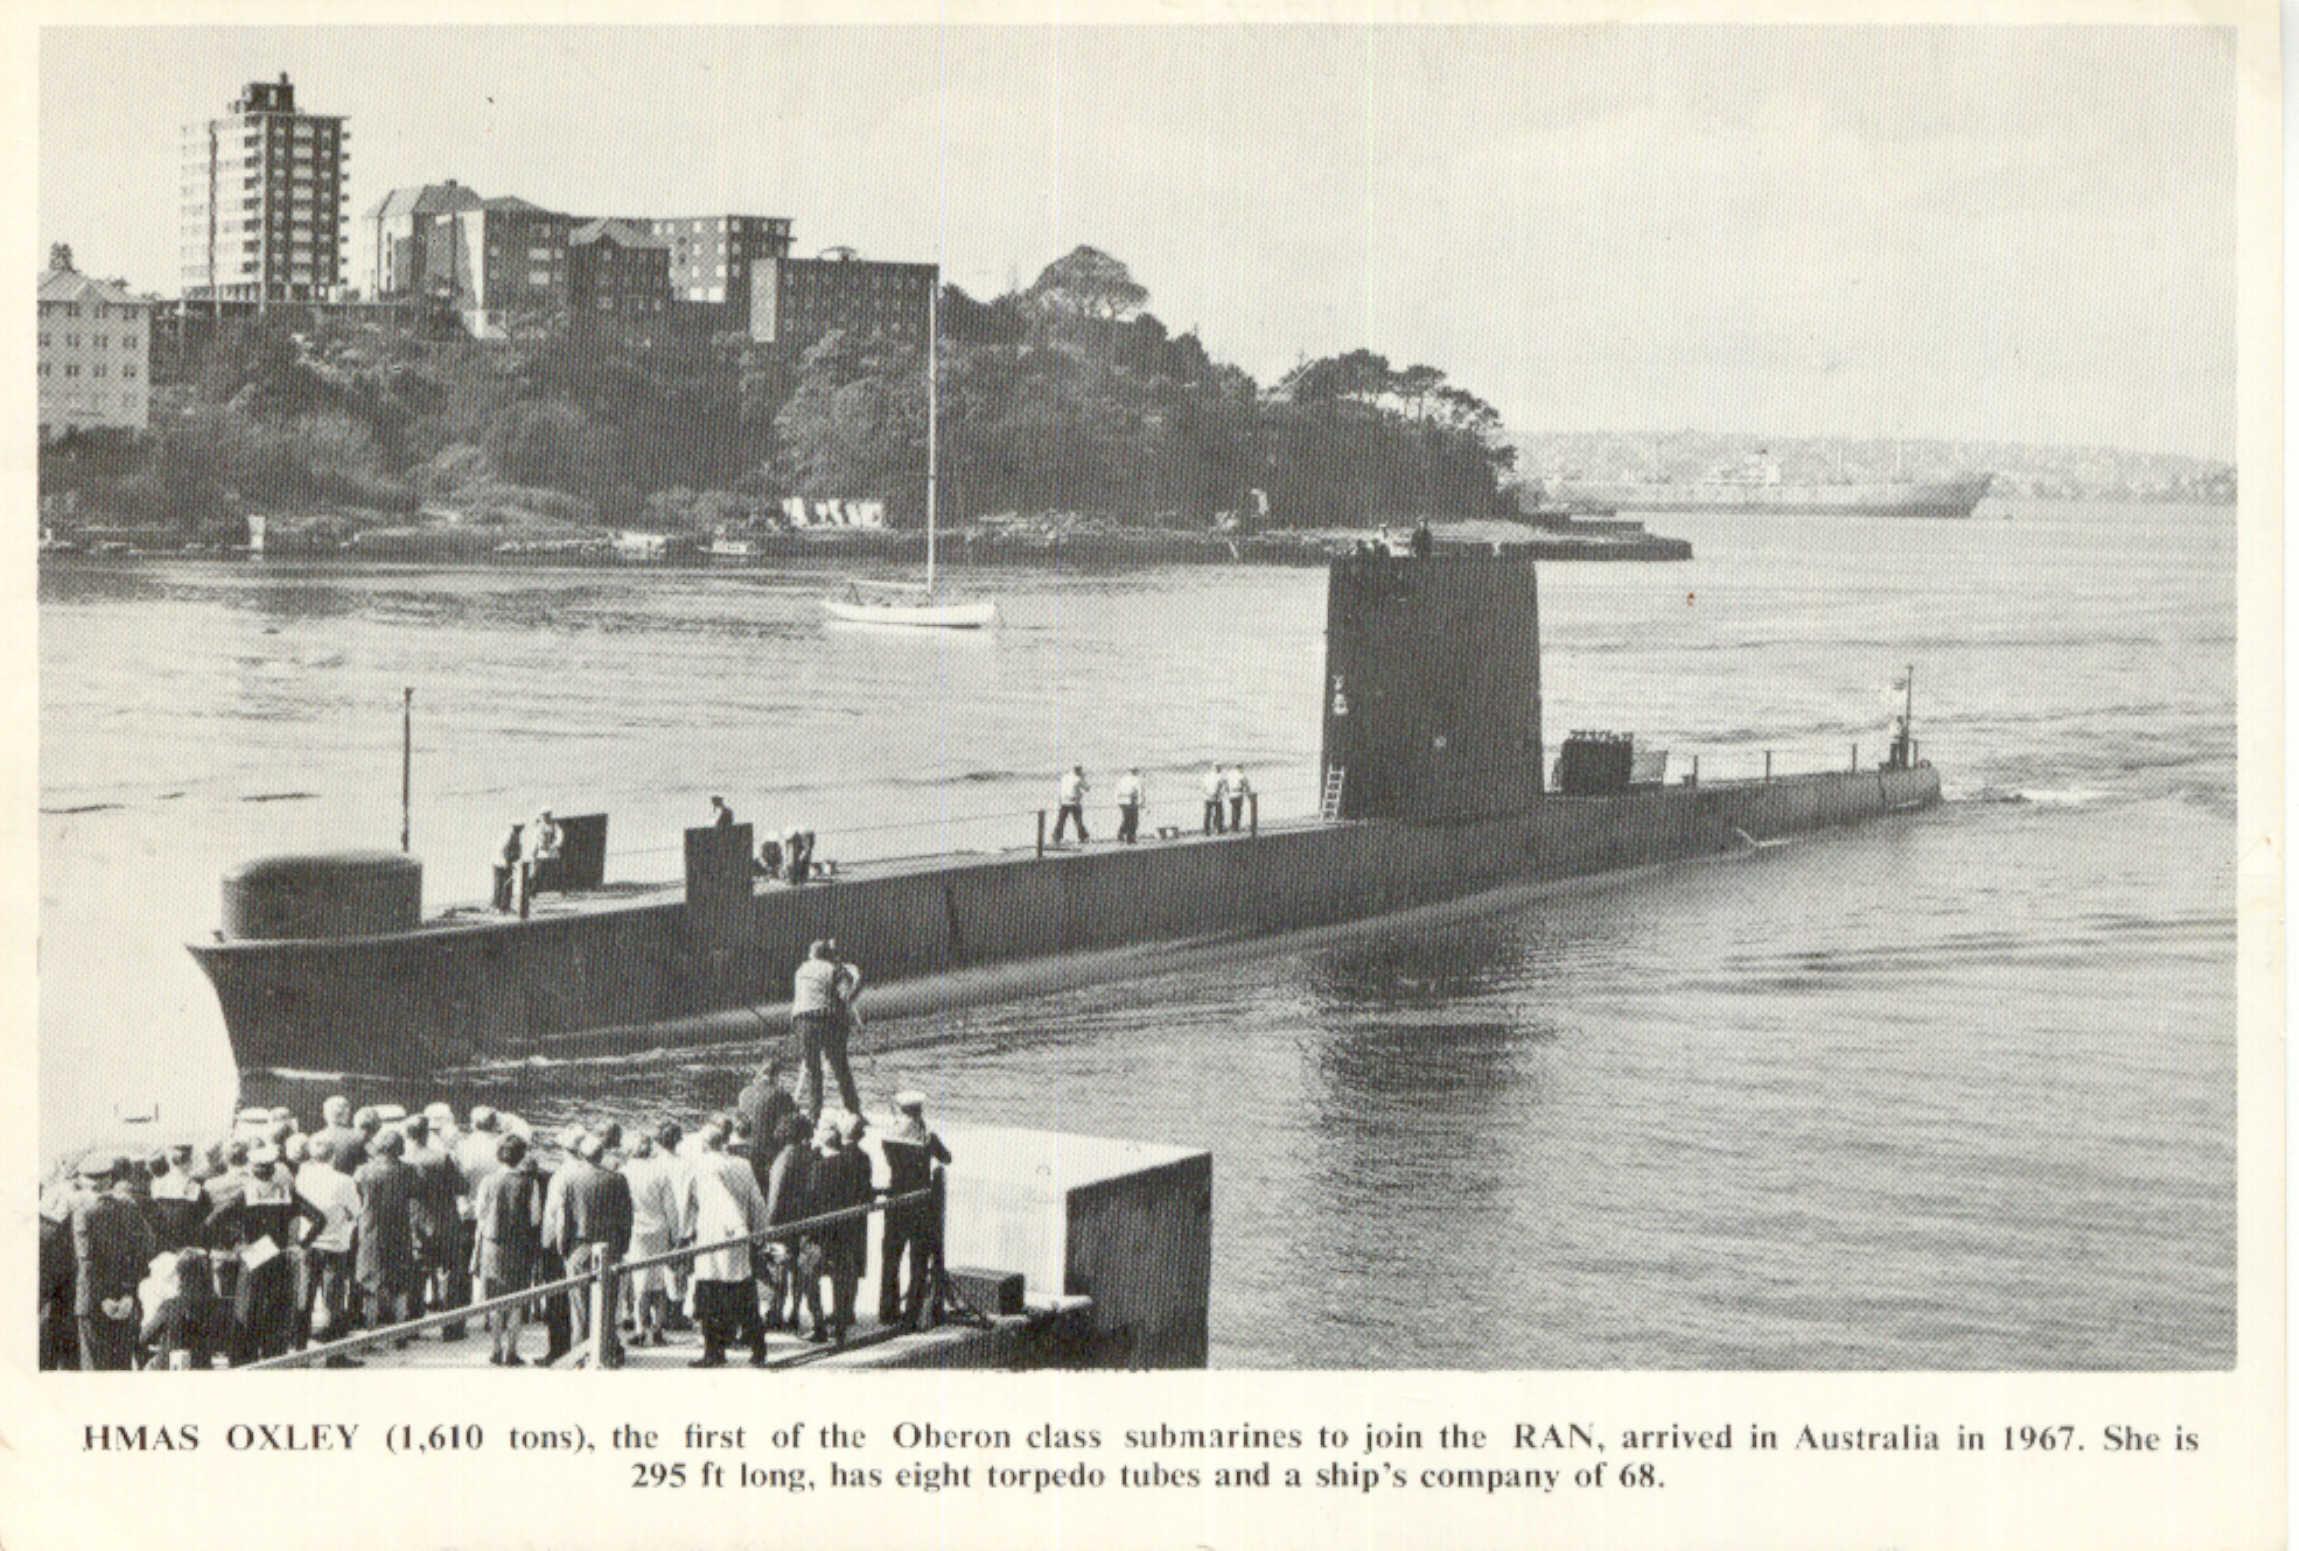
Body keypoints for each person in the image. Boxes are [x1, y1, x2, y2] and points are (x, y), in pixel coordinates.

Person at [201, 1140, 322, 1365]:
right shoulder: (287, 1194)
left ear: (252, 1170)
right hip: (280, 1259)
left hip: (254, 1259)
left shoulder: (244, 1195)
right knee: (276, 1317)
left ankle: (244, 1362)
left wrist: (236, 1244)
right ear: (273, 1169)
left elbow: (211, 1222)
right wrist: (301, 1245)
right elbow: (319, 1218)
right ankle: (273, 1360)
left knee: (248, 1313)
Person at [679, 1121, 772, 1368]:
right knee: (744, 1293)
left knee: (710, 1298)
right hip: (739, 1242)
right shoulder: (742, 1164)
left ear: (704, 1144)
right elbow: (756, 1199)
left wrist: (684, 1231)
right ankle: (758, 1348)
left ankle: (714, 1352)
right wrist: (760, 1232)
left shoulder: (704, 1165)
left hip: (714, 1237)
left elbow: (713, 1200)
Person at [545, 1133, 633, 1367]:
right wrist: (623, 1246)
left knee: (579, 1308)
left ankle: (580, 1355)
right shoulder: (618, 1179)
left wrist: (563, 1247)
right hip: (611, 1246)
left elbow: (564, 1218)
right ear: (601, 1154)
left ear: (582, 1155)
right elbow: (627, 1218)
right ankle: (607, 1351)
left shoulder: (569, 1180)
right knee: (608, 1303)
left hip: (579, 1246)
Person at [72, 1154, 157, 1370]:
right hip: (127, 1298)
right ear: (109, 1179)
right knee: (121, 1368)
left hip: (93, 1300)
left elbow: (87, 1260)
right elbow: (146, 1248)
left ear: (84, 1181)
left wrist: (102, 1298)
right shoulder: (129, 1206)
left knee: (95, 1372)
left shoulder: (83, 1211)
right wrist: (127, 1292)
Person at [878, 1091, 954, 1331]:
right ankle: (913, 1313)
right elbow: (947, 1157)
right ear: (919, 1110)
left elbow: (894, 1158)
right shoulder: (926, 1137)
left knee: (891, 1258)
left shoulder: (889, 1137)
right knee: (918, 1261)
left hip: (896, 1202)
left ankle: (887, 1310)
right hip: (919, 1205)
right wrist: (925, 1133)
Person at [470, 1133, 545, 1367]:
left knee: (494, 1299)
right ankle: (512, 1351)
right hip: (519, 1246)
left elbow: (479, 1214)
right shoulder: (529, 1183)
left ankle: (495, 1349)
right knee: (516, 1301)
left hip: (493, 1245)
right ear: (521, 1156)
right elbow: (535, 1218)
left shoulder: (488, 1181)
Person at [402, 1115, 468, 1341]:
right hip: (445, 1222)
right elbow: (462, 1187)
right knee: (449, 1273)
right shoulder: (442, 1158)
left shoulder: (404, 1160)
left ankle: (412, 1325)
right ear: (426, 1133)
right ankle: (451, 1327)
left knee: (416, 1274)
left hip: (415, 1223)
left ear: (407, 1135)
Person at [295, 1137, 361, 1363]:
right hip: (335, 1245)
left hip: (309, 1244)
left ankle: (300, 1352)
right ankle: (335, 1356)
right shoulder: (344, 1181)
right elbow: (355, 1209)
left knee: (304, 1299)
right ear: (333, 1156)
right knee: (334, 1302)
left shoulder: (302, 1178)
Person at [622, 1124, 687, 1348]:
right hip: (659, 1229)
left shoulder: (624, 1172)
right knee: (659, 1282)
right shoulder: (660, 1172)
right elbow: (671, 1208)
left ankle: (641, 1329)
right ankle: (658, 1329)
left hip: (636, 1231)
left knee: (640, 1282)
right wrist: (676, 1233)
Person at [352, 1128, 419, 1343]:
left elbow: (358, 1199)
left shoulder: (362, 1171)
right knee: (400, 1283)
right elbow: (415, 1194)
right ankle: (399, 1334)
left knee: (371, 1283)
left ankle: (371, 1333)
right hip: (399, 1229)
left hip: (370, 1230)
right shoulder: (408, 1170)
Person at [812, 1114, 874, 1346]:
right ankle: (846, 1310)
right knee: (852, 1266)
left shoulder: (832, 1158)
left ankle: (838, 1312)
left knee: (833, 1268)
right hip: (855, 1220)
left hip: (835, 1221)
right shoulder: (862, 1157)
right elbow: (865, 1189)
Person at [790, 940, 864, 1120]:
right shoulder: (834, 969)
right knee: (840, 1067)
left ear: (811, 955)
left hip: (802, 1022)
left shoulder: (801, 970)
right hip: (828, 1021)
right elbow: (845, 996)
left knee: (813, 1070)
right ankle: (853, 1110)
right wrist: (857, 982)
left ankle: (814, 1116)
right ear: (827, 955)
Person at [759, 1114, 818, 1333]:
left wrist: (768, 1226)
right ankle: (794, 1311)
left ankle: (776, 1312)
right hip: (802, 1218)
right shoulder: (808, 1156)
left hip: (782, 1221)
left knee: (779, 1269)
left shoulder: (783, 1159)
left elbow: (775, 1196)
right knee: (798, 1270)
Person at [141, 1248, 225, 1371]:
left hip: (170, 1369)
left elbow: (144, 1338)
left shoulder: (171, 1306)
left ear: (181, 1277)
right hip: (202, 1368)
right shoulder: (217, 1307)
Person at [736, 1059, 800, 1190]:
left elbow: (741, 1121)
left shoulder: (744, 1093)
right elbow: (793, 1124)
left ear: (760, 1074)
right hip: (768, 1151)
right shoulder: (781, 1094)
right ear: (777, 1076)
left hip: (746, 1147)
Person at [146, 1143, 208, 1254]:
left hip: (164, 1242)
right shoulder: (194, 1186)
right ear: (190, 1162)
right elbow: (203, 1216)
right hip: (188, 1242)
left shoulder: (157, 1184)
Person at [1052, 765, 1090, 844]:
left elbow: (1060, 789)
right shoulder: (1078, 779)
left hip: (1064, 801)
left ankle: (1056, 837)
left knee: (1061, 820)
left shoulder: (1065, 777)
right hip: (1074, 802)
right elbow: (1087, 788)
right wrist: (1083, 778)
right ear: (1079, 771)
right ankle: (1083, 836)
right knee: (1078, 820)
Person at [495, 823, 526, 912]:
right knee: (504, 884)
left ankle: (505, 905)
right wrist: (507, 862)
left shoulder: (515, 836)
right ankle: (501, 906)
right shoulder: (508, 836)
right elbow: (503, 849)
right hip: (502, 863)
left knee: (507, 884)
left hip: (507, 862)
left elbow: (518, 850)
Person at [1115, 767, 1145, 844]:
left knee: (1126, 819)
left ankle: (1120, 834)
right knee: (1134, 821)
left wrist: (1117, 801)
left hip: (1121, 800)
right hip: (1131, 801)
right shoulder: (1137, 780)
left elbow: (1117, 790)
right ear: (1136, 771)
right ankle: (1130, 838)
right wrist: (1141, 803)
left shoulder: (1122, 779)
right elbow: (1140, 792)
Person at [1201, 763, 1229, 835]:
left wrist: (1207, 793)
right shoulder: (1221, 777)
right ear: (1218, 768)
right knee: (1219, 814)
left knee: (1208, 814)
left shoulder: (1206, 776)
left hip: (1207, 796)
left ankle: (1206, 830)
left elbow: (1203, 787)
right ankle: (1218, 829)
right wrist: (1223, 793)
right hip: (1216, 798)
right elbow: (1225, 787)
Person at [1227, 764, 1253, 832]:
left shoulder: (1230, 775)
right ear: (1240, 768)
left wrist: (1227, 793)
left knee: (1233, 810)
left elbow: (1226, 784)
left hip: (1231, 794)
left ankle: (1234, 825)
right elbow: (1246, 785)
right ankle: (1236, 826)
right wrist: (1249, 794)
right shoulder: (1241, 775)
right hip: (1238, 794)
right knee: (1238, 810)